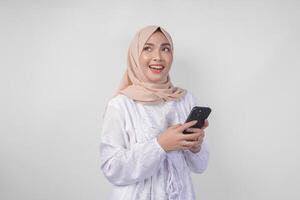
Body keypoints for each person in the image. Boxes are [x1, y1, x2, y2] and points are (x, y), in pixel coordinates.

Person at [99, 25, 209, 200]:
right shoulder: (121, 105)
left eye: (165, 49)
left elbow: (200, 166)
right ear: (135, 55)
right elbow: (112, 168)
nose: (158, 57)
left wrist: (196, 147)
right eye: (147, 48)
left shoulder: (184, 99)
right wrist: (160, 145)